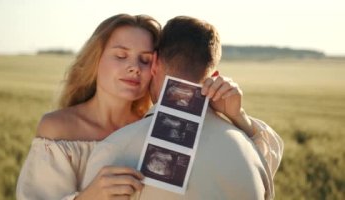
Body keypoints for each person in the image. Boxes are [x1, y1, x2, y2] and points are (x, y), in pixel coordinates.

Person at [16, 14, 258, 200]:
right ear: (96, 59)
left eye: (144, 59)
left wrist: (237, 117)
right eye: (121, 56)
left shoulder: (162, 129)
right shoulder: (58, 128)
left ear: (156, 68)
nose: (134, 67)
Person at [87, 16, 284, 200]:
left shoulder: (115, 150)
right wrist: (238, 118)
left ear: (155, 63)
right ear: (214, 75)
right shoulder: (251, 151)